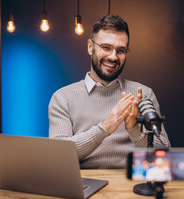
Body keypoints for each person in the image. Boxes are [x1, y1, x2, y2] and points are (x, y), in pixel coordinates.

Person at [48, 14, 170, 169]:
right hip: (83, 184)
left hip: (132, 184)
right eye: (106, 48)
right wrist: (104, 129)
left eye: (121, 50)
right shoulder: (63, 98)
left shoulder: (143, 94)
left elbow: (164, 155)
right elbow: (58, 155)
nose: (113, 57)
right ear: (90, 47)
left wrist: (134, 130)